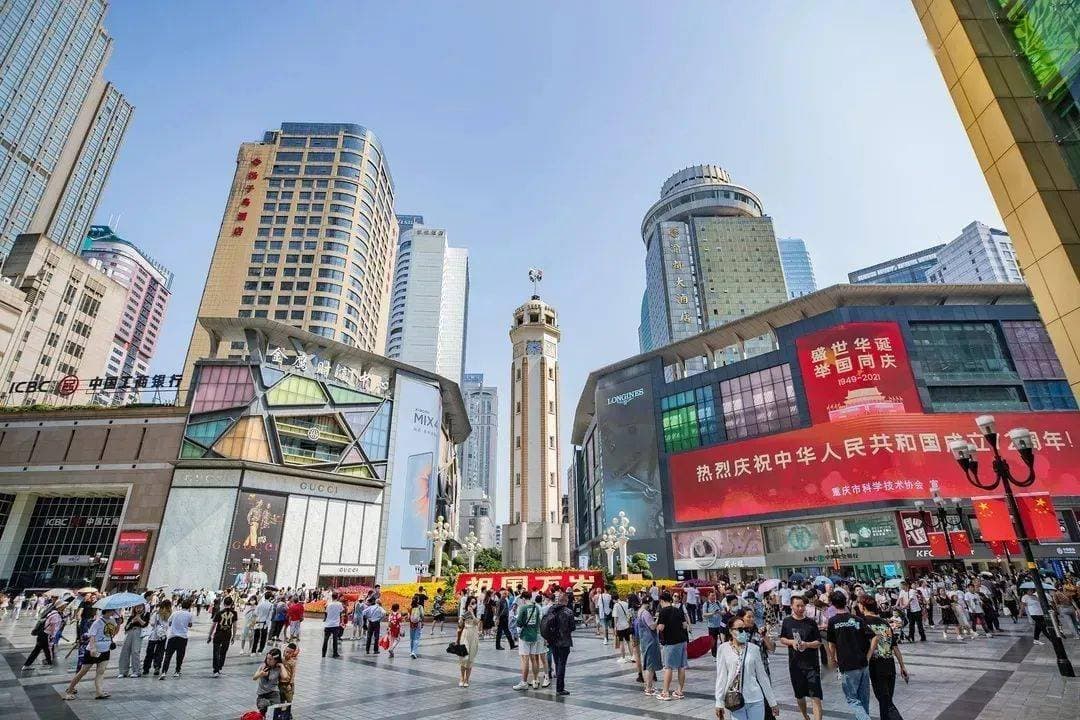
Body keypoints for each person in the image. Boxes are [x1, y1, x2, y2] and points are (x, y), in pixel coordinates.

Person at [714, 615, 778, 720]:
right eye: (739, 629)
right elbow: (721, 677)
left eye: (744, 629)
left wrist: (772, 702)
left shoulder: (754, 649)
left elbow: (762, 677)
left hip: (755, 698)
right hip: (734, 699)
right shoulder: (723, 649)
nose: (743, 632)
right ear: (731, 631)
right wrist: (719, 702)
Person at [826, 591, 876, 720]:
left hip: (847, 665)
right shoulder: (857, 619)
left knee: (852, 699)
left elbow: (831, 645)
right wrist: (868, 656)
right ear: (846, 602)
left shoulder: (832, 621)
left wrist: (833, 659)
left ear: (832, 604)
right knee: (863, 698)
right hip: (862, 663)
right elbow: (874, 637)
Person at [862, 596, 908, 720]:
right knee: (886, 701)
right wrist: (902, 666)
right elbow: (894, 646)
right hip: (890, 664)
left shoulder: (863, 622)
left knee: (885, 702)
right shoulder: (884, 623)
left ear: (863, 607)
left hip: (876, 666)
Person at [780, 595, 823, 720]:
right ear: (792, 606)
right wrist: (791, 642)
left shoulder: (811, 622)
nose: (800, 608)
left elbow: (818, 642)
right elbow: (782, 638)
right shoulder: (787, 621)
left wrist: (807, 644)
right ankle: (805, 716)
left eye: (802, 606)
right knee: (800, 695)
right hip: (795, 665)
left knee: (816, 696)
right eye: (797, 606)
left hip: (811, 664)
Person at [62, 609, 118, 700]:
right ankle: (69, 690)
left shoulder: (113, 620)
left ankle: (99, 692)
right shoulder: (97, 622)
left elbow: (113, 633)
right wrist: (92, 648)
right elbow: (92, 636)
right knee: (83, 671)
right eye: (112, 610)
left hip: (106, 649)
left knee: (101, 671)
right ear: (107, 611)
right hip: (94, 650)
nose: (114, 612)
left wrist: (118, 623)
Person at [655, 591, 689, 701]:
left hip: (670, 642)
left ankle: (665, 692)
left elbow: (660, 628)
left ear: (661, 601)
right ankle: (679, 691)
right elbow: (685, 625)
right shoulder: (678, 610)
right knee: (681, 666)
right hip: (682, 641)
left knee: (668, 667)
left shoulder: (663, 612)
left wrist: (656, 622)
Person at [541, 591, 575, 696]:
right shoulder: (568, 612)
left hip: (553, 641)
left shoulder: (551, 609)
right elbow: (572, 627)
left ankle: (559, 686)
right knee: (562, 664)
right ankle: (560, 688)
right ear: (566, 601)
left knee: (557, 663)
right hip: (564, 642)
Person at [513, 591, 544, 690]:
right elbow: (539, 622)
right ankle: (535, 680)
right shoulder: (536, 607)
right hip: (534, 635)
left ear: (523, 598)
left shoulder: (523, 608)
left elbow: (519, 622)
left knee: (525, 659)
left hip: (525, 636)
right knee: (534, 658)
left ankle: (524, 682)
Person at [23, 599, 64, 671]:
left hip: (42, 634)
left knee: (40, 650)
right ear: (60, 606)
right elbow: (54, 628)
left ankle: (27, 665)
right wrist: (53, 637)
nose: (65, 606)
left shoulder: (51, 613)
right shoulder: (56, 615)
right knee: (48, 649)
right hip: (47, 635)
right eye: (64, 605)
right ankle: (50, 664)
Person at [160, 598, 193, 679]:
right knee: (180, 655)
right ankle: (177, 671)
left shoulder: (175, 613)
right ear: (189, 606)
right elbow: (190, 625)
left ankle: (164, 672)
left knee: (168, 655)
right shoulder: (189, 614)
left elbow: (169, 621)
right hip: (183, 637)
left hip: (173, 636)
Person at [253, 648, 290, 717]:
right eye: (267, 658)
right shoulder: (263, 666)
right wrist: (260, 674)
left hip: (274, 694)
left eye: (270, 659)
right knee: (263, 711)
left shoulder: (278, 668)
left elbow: (285, 677)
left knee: (275, 713)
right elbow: (254, 678)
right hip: (262, 695)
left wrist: (282, 666)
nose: (268, 661)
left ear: (276, 660)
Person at [636, 599, 662, 696]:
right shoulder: (646, 613)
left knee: (648, 664)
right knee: (650, 666)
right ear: (649, 603)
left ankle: (649, 686)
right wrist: (658, 619)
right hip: (650, 641)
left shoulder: (639, 611)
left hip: (644, 640)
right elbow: (652, 627)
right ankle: (648, 688)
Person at [208, 596, 238, 677]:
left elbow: (213, 625)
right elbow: (235, 626)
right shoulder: (234, 613)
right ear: (231, 604)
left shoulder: (219, 612)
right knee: (223, 652)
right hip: (227, 634)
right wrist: (234, 636)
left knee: (216, 652)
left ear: (224, 603)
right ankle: (220, 666)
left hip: (218, 634)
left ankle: (216, 670)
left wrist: (209, 635)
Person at [118, 603, 148, 678]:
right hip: (130, 632)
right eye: (136, 607)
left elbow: (145, 624)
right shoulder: (132, 616)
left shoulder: (146, 615)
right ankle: (123, 671)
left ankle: (136, 671)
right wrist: (132, 621)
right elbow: (126, 627)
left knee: (135, 651)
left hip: (138, 632)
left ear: (143, 608)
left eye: (140, 607)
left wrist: (139, 619)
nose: (138, 609)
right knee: (125, 651)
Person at [457, 596, 481, 687]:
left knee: (471, 658)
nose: (473, 604)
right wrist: (461, 619)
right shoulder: (464, 613)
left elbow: (476, 622)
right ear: (468, 603)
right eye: (471, 603)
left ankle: (467, 679)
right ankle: (462, 678)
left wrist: (472, 613)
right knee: (464, 657)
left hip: (474, 635)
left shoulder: (477, 612)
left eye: (474, 603)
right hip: (465, 634)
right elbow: (460, 625)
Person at [143, 599, 170, 676]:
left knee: (149, 652)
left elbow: (151, 623)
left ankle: (146, 668)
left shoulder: (157, 613)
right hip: (163, 636)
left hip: (154, 635)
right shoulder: (169, 614)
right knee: (160, 652)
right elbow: (169, 625)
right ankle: (157, 667)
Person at [611, 591, 633, 663]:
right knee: (629, 641)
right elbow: (629, 615)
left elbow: (615, 617)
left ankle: (623, 658)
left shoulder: (616, 605)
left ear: (613, 599)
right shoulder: (625, 603)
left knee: (621, 642)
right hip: (626, 625)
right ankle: (632, 656)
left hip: (620, 626)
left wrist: (615, 627)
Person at [703, 591, 725, 657]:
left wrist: (720, 612)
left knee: (723, 639)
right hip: (711, 626)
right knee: (713, 641)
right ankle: (714, 654)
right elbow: (704, 614)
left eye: (714, 595)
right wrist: (712, 613)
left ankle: (723, 652)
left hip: (720, 625)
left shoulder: (718, 603)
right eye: (712, 595)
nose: (713, 597)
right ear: (708, 596)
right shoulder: (706, 604)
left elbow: (724, 612)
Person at [322, 592, 344, 659]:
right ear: (337, 597)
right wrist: (341, 621)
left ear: (332, 597)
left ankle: (323, 653)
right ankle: (335, 653)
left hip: (328, 624)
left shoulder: (328, 604)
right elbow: (341, 612)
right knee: (335, 639)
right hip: (335, 624)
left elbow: (326, 613)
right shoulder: (339, 604)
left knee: (326, 639)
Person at [280, 642, 299, 708]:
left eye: (289, 653)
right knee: (281, 699)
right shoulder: (281, 660)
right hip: (281, 683)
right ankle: (279, 713)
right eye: (286, 651)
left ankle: (288, 713)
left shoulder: (292, 662)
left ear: (293, 654)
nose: (287, 654)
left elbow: (293, 673)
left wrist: (290, 683)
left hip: (288, 684)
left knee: (289, 700)